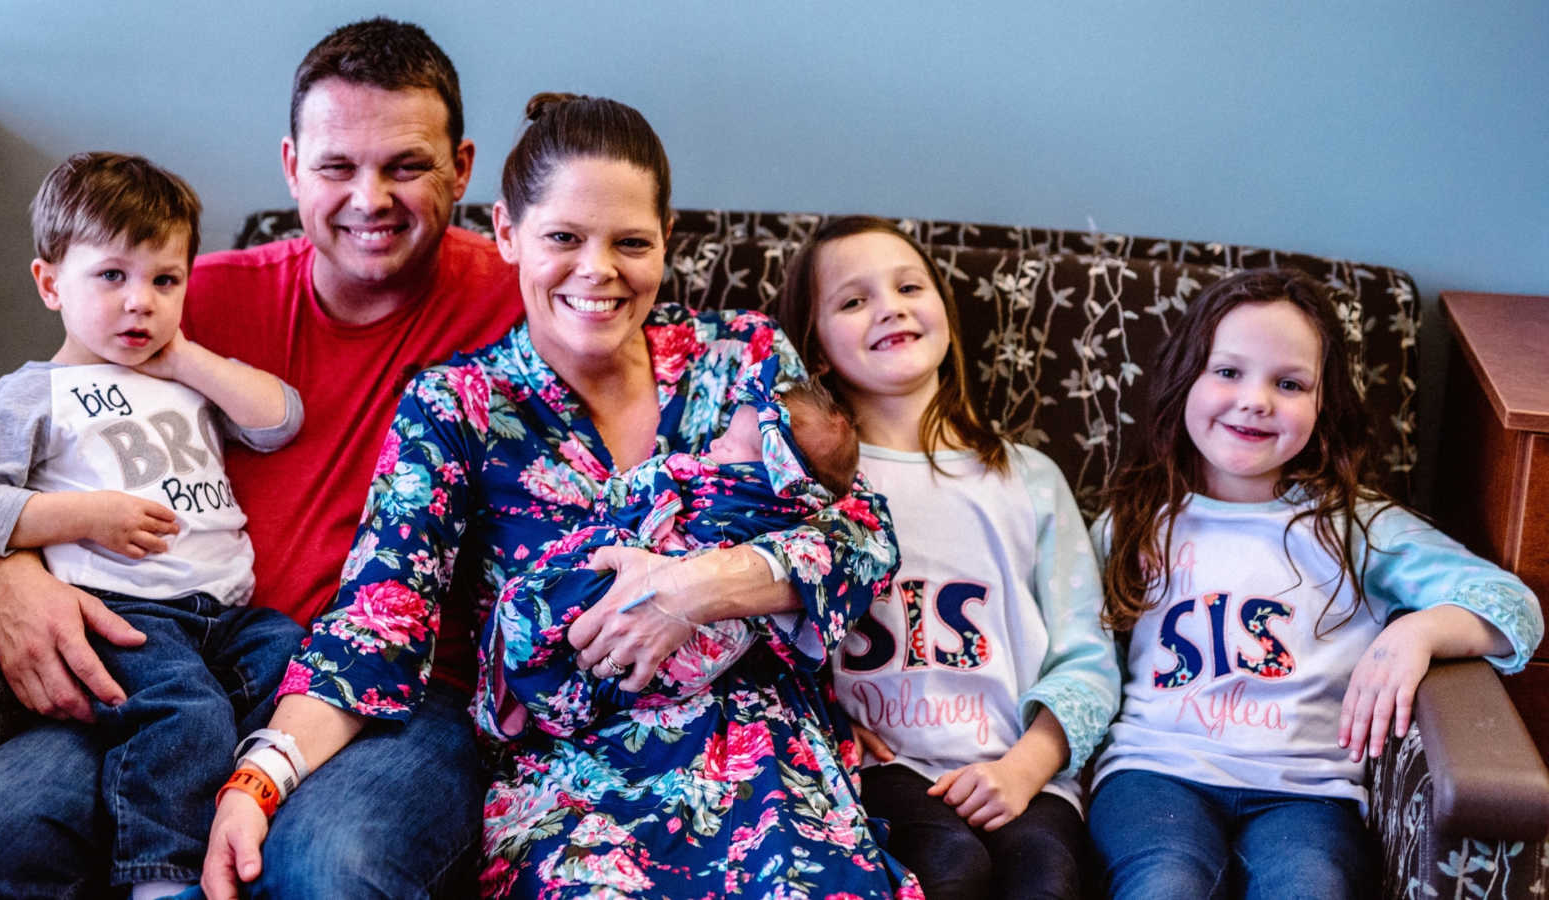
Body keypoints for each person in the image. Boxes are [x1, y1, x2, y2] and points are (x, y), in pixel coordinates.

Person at [203, 93, 919, 900]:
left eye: (630, 243)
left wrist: (696, 587)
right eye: (563, 239)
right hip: (576, 789)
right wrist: (258, 779)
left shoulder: (742, 355)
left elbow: (864, 540)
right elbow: (377, 625)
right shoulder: (457, 405)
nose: (597, 271)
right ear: (507, 234)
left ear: (667, 240)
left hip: (768, 764)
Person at [0, 18, 523, 899]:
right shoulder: (178, 300)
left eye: (406, 165)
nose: (369, 197)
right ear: (292, 167)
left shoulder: (524, 302)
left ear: (463, 167)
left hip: (397, 696)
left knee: (327, 872)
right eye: (337, 166)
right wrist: (4, 575)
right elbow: (30, 449)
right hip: (159, 657)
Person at [1085, 268, 1543, 899]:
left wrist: (1420, 630)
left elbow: (1516, 608)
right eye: (1227, 372)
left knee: (1312, 886)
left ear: (1323, 404)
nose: (1256, 399)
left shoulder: (1356, 526)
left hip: (1308, 793)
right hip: (1154, 775)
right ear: (1183, 379)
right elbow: (1083, 657)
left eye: (1289, 383)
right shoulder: (1132, 523)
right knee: (1168, 880)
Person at [0, 152, 306, 899]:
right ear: (50, 283)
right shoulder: (37, 393)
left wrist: (189, 359)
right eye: (112, 276)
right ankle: (160, 879)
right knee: (189, 715)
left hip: (227, 619)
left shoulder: (186, 381)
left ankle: (226, 790)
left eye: (164, 280)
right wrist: (82, 516)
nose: (140, 302)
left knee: (302, 665)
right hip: (128, 619)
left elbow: (280, 421)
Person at [776, 215, 1121, 899]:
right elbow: (777, 636)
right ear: (814, 349)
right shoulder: (805, 485)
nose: (890, 307)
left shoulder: (1028, 478)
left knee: (1046, 879)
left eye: (909, 286)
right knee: (950, 873)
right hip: (878, 770)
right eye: (853, 300)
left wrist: (1027, 768)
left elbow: (1087, 655)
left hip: (1024, 766)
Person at [484, 378, 861, 737]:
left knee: (553, 610)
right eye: (723, 435)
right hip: (642, 634)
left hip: (711, 672)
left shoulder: (773, 509)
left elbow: (864, 540)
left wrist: (687, 577)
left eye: (731, 447)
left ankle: (560, 687)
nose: (714, 446)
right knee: (567, 601)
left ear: (775, 480)